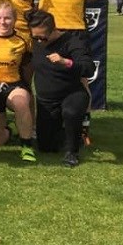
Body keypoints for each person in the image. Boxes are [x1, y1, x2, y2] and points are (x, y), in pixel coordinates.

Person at [27, 9, 95, 167]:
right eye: (34, 37)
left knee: (71, 112)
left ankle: (72, 151)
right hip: (47, 101)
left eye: (42, 38)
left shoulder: (72, 42)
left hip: (71, 93)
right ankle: (69, 132)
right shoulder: (36, 42)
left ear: (53, 30)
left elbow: (89, 68)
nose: (38, 41)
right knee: (46, 147)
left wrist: (66, 62)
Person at [0, 2, 35, 161]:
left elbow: (33, 58)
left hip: (13, 85)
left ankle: (27, 146)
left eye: (7, 18)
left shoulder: (23, 40)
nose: (3, 22)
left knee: (21, 103)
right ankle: (10, 129)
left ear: (15, 19)